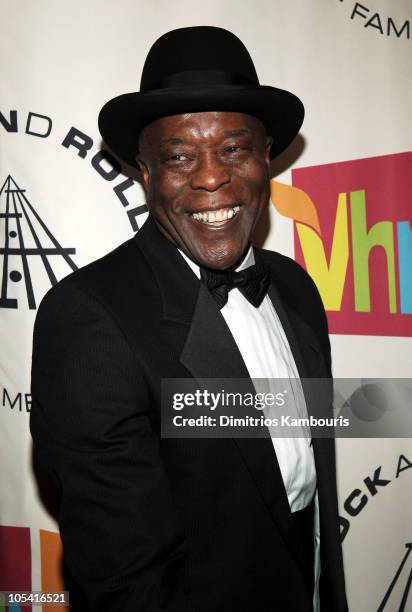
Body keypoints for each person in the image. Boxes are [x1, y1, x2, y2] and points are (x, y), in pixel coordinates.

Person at [30, 26, 348, 611]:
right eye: (178, 156)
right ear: (146, 172)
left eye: (233, 148)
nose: (209, 177)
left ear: (266, 156)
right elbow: (127, 589)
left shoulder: (297, 290)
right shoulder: (88, 322)